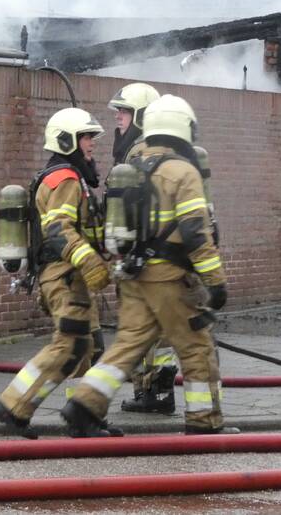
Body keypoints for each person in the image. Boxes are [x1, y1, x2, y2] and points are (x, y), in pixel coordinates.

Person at [61, 95, 233, 436]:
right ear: (183, 128)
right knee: (196, 346)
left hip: (133, 274)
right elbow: (196, 233)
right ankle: (205, 422)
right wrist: (216, 283)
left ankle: (83, 404)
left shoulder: (131, 165)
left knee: (129, 343)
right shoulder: (183, 172)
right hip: (169, 279)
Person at [0, 107, 112, 439]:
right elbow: (58, 228)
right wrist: (89, 261)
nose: (92, 144)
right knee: (69, 345)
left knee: (90, 348)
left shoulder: (72, 178)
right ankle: (13, 406)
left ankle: (83, 416)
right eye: (87, 137)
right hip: (64, 276)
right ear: (68, 140)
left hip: (73, 276)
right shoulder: (64, 179)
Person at [106, 83, 179, 415]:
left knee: (140, 324)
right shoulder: (150, 149)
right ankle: (156, 391)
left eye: (123, 112)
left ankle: (151, 391)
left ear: (140, 116)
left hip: (140, 256)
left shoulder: (138, 153)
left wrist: (126, 249)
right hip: (153, 255)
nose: (118, 119)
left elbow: (132, 207)